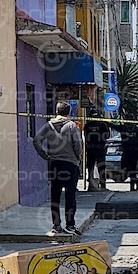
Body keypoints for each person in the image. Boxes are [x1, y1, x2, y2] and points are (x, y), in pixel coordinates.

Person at [33, 101, 83, 237]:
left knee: (55, 195)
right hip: (70, 164)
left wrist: (45, 155)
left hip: (55, 164)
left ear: (56, 111)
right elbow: (78, 144)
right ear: (68, 112)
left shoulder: (48, 125)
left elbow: (37, 140)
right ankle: (70, 225)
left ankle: (56, 225)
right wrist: (78, 158)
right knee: (70, 195)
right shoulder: (72, 126)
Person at [83, 107, 110, 191]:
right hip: (100, 148)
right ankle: (103, 186)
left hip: (90, 148)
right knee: (101, 167)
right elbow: (107, 135)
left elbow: (85, 135)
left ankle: (91, 185)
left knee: (90, 167)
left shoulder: (87, 125)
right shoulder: (102, 124)